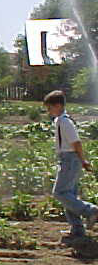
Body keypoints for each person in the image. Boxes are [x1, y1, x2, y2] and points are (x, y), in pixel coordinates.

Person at [44, 90, 98, 241]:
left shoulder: (65, 122)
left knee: (60, 193)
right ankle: (77, 230)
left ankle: (91, 210)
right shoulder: (60, 121)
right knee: (70, 196)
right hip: (67, 158)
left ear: (59, 105)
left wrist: (83, 160)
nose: (49, 111)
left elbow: (76, 143)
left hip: (70, 159)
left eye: (50, 108)